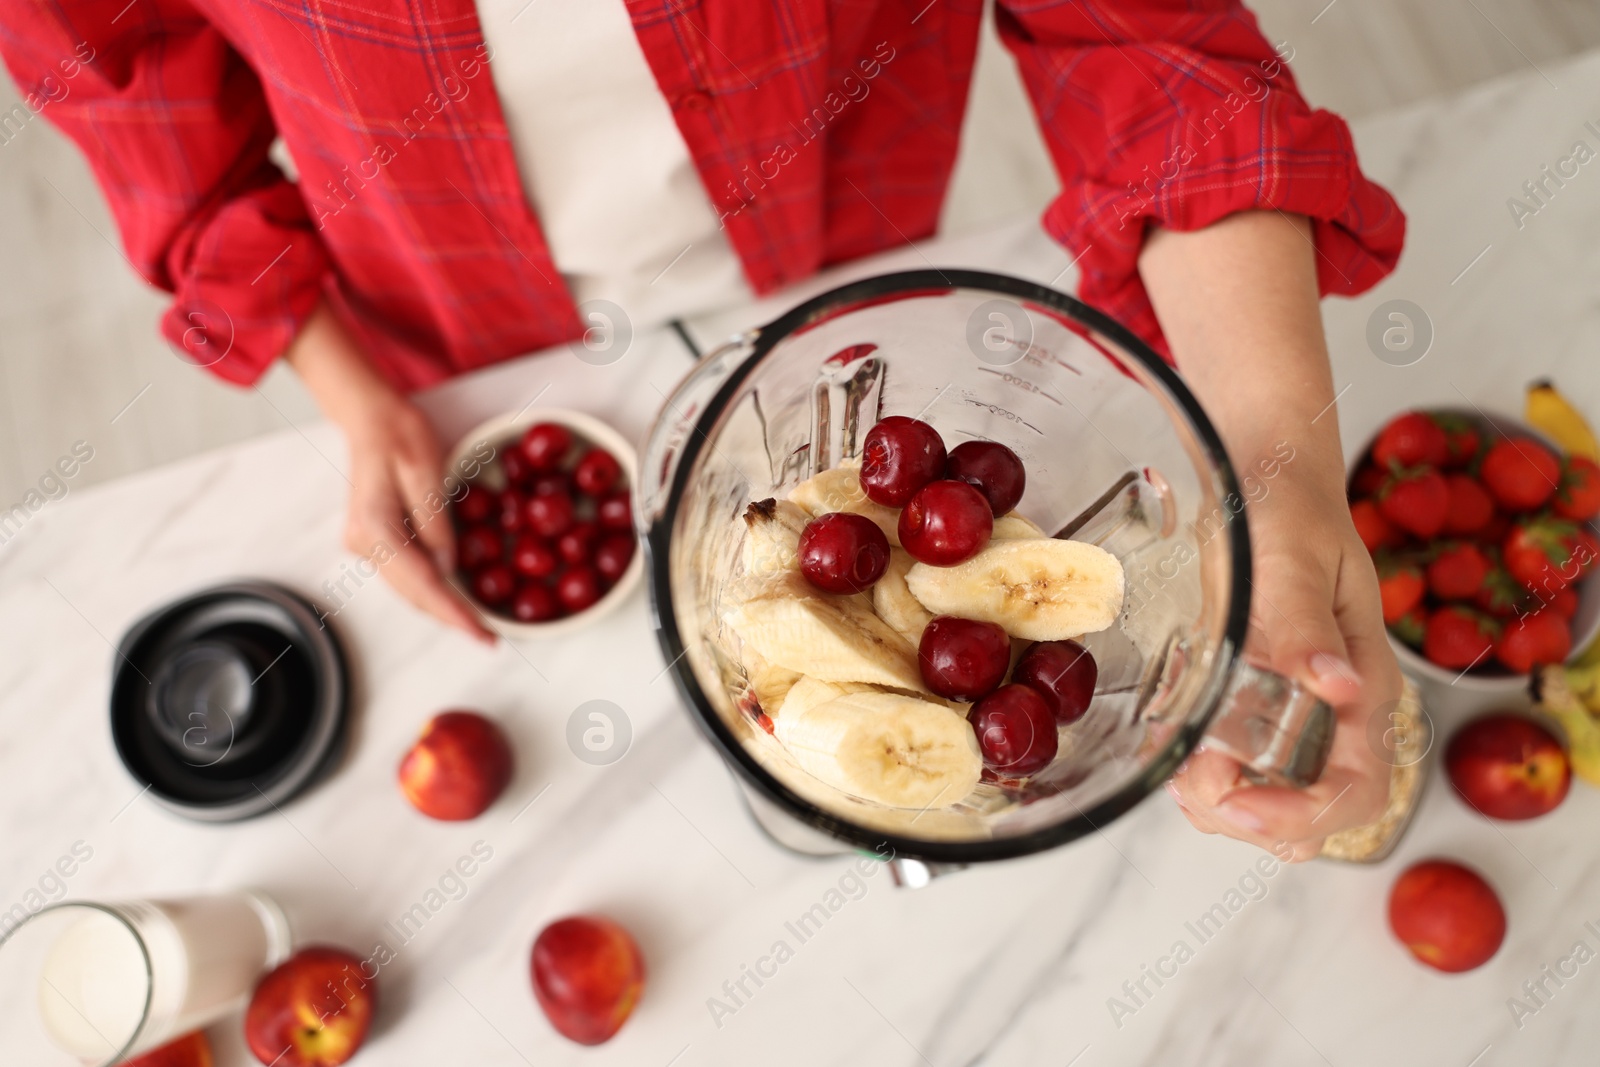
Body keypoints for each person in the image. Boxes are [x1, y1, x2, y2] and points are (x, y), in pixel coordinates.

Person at [1, 0, 1404, 860]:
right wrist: (354, 396)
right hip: (464, 320)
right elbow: (135, 95)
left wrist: (1275, 464)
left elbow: (1147, 41)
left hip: (842, 247)